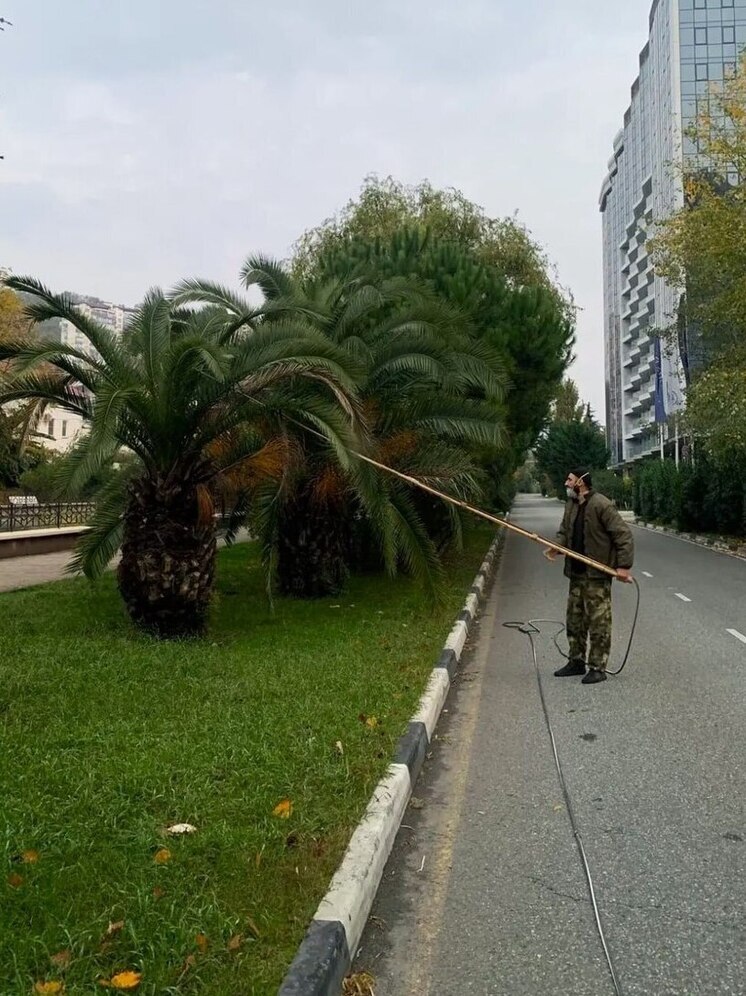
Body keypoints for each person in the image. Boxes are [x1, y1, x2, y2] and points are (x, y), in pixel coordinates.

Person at [544, 468, 634, 685]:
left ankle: (597, 667)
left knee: (598, 622)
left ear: (581, 483)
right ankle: (576, 661)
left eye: (570, 480)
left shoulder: (601, 504)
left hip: (596, 575)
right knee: (574, 620)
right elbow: (564, 531)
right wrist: (556, 547)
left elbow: (623, 536)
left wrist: (623, 566)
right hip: (576, 573)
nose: (566, 483)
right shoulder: (572, 505)